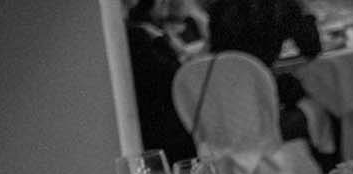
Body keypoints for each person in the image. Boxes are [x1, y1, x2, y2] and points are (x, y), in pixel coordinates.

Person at [207, 0, 324, 149]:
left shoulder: (219, 7)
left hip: (223, 109)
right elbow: (311, 48)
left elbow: (216, 52)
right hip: (262, 107)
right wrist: (305, 10)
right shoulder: (280, 6)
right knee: (323, 98)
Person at [127, 0, 200, 165]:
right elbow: (175, 76)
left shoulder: (146, 34)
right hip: (166, 133)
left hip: (161, 129)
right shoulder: (141, 37)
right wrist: (163, 42)